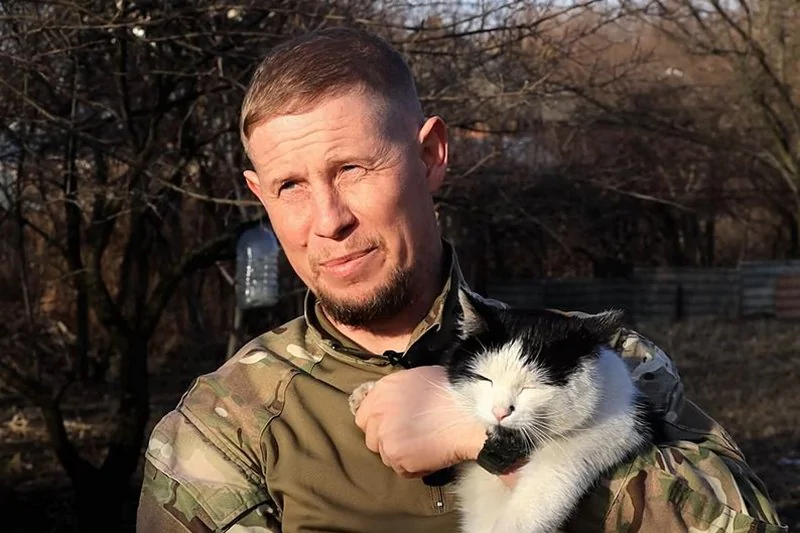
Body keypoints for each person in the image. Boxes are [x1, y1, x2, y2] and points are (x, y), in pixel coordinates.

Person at [136, 26, 786, 533]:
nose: (328, 221)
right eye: (290, 187)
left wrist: (505, 442)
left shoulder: (600, 358)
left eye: (353, 169)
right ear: (259, 196)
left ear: (429, 156)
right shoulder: (226, 425)